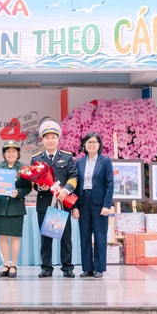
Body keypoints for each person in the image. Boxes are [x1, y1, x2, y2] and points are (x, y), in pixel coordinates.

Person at [31, 120, 78, 278]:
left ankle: (67, 267)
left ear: (58, 139)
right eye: (47, 137)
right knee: (46, 237)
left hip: (62, 203)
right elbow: (32, 181)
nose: (50, 140)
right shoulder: (36, 158)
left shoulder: (67, 157)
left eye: (53, 137)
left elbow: (74, 176)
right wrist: (40, 187)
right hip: (44, 203)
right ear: (42, 140)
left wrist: (66, 190)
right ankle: (46, 267)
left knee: (65, 237)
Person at [72, 132, 114, 279]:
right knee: (84, 236)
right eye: (88, 142)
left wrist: (107, 205)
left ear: (99, 144)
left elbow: (110, 184)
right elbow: (75, 185)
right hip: (83, 201)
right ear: (84, 145)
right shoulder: (79, 162)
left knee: (100, 236)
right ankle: (87, 268)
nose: (91, 145)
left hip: (99, 203)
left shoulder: (105, 161)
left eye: (94, 142)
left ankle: (99, 268)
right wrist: (74, 206)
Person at [0, 140, 32, 278]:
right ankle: (5, 264)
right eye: (8, 151)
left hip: (16, 207)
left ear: (18, 153)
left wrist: (18, 192)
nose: (11, 154)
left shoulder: (24, 167)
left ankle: (13, 265)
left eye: (14, 151)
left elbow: (28, 188)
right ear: (4, 153)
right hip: (0, 206)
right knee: (2, 237)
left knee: (14, 237)